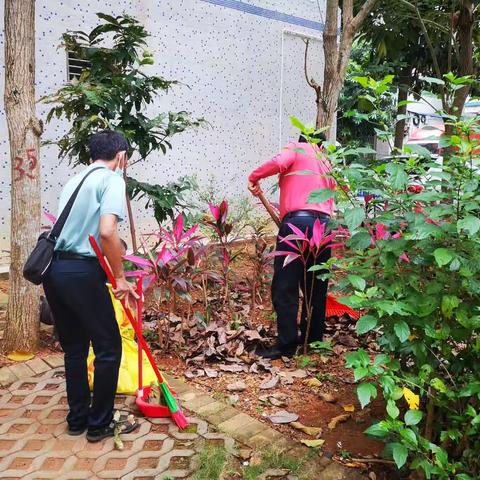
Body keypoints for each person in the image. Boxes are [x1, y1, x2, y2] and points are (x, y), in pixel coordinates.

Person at [43, 130, 139, 442]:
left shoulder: (75, 180)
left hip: (55, 271)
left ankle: (77, 419)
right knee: (108, 348)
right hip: (83, 272)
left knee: (74, 349)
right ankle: (99, 424)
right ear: (121, 155)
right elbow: (108, 232)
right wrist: (121, 278)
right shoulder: (112, 180)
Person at [248, 133, 336, 359]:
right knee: (316, 287)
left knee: (285, 286)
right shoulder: (326, 161)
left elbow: (278, 163)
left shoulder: (297, 148)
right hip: (324, 227)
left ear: (302, 139)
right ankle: (312, 342)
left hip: (297, 224)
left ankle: (286, 344)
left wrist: (254, 177)